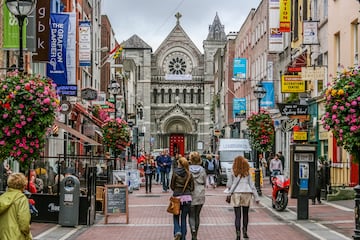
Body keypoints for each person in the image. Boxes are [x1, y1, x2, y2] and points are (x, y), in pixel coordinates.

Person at [226, 156, 259, 240]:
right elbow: (252, 185)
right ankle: (245, 232)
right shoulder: (247, 172)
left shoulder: (233, 171)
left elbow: (229, 184)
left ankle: (237, 234)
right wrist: (256, 197)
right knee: (245, 214)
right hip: (247, 192)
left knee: (237, 216)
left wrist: (230, 189)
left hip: (236, 193)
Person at [0, 172, 32, 240]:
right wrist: (28, 235)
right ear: (23, 185)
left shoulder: (2, 198)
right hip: (17, 236)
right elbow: (24, 223)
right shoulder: (21, 199)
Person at [170, 157, 194, 240]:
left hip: (177, 197)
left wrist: (176, 190)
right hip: (187, 198)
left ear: (179, 164)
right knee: (184, 218)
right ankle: (183, 237)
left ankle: (177, 231)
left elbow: (172, 186)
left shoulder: (175, 172)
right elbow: (192, 187)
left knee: (176, 215)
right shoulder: (189, 174)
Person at [189, 151, 207, 240]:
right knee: (197, 215)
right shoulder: (202, 170)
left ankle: (192, 229)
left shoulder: (188, 169)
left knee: (191, 214)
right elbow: (205, 181)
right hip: (200, 192)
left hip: (191, 192)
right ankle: (196, 234)